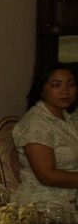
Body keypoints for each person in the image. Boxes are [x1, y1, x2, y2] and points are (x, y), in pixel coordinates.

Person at [12, 63, 78, 209]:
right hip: (45, 204)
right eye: (56, 85)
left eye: (71, 85)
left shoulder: (70, 118)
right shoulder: (35, 123)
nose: (65, 91)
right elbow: (47, 176)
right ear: (41, 89)